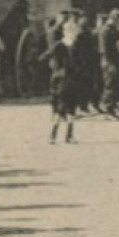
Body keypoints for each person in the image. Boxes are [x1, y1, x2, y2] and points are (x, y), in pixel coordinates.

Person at [40, 15, 81, 145]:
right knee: (62, 108)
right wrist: (56, 68)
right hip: (63, 81)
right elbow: (44, 57)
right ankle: (53, 135)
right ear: (67, 32)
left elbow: (45, 57)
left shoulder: (73, 46)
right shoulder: (61, 45)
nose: (75, 34)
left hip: (70, 80)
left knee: (70, 108)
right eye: (74, 32)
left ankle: (68, 135)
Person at [99, 10, 119, 120]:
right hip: (109, 62)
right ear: (113, 19)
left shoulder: (114, 30)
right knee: (110, 86)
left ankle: (113, 109)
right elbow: (106, 50)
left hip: (116, 62)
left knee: (117, 86)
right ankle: (108, 110)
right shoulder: (106, 31)